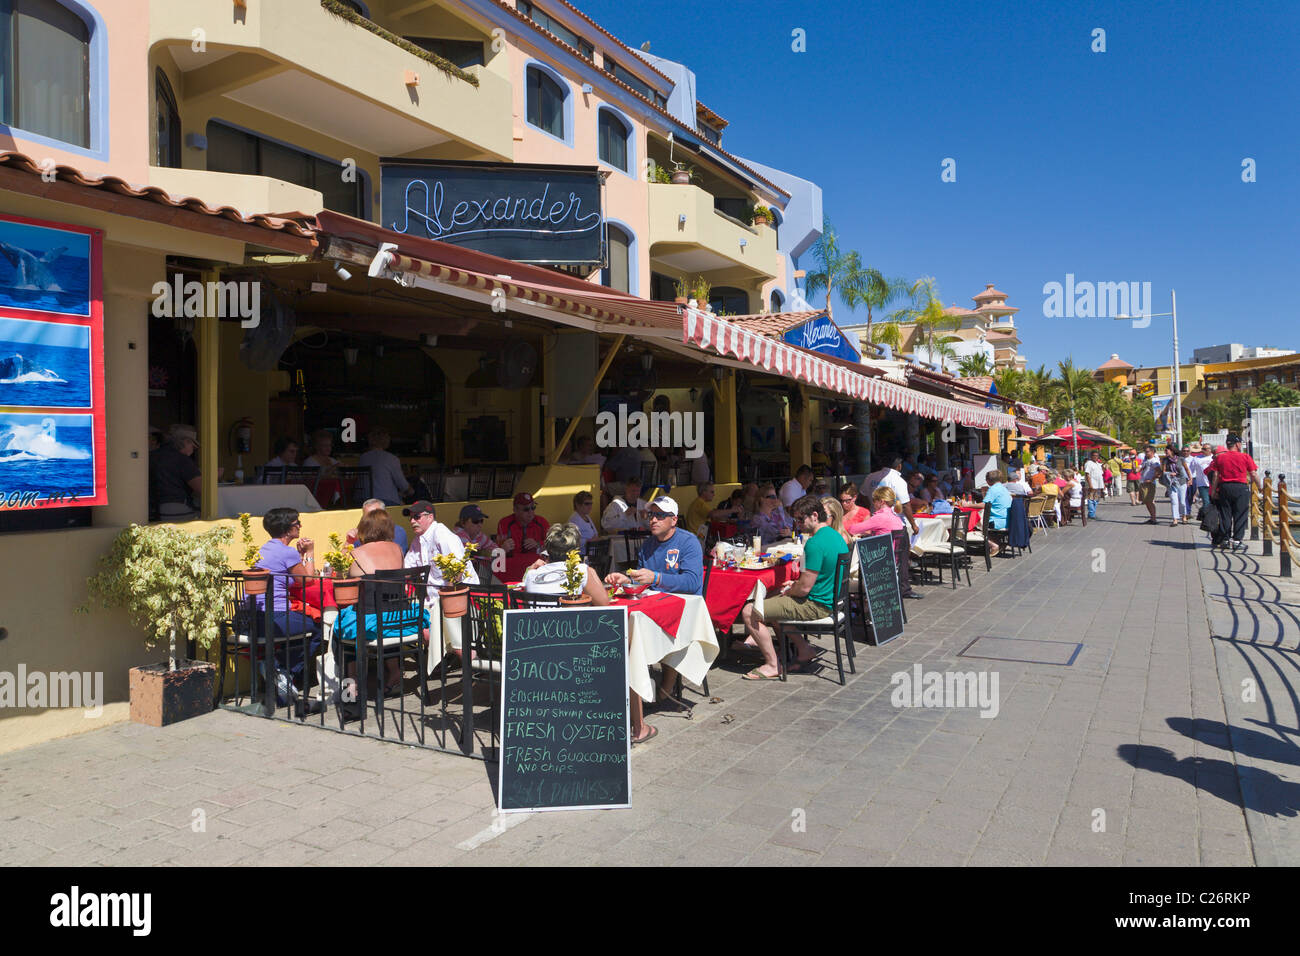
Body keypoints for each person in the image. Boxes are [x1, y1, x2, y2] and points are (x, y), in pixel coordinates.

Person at [603, 497, 703, 719]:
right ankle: (633, 687)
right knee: (625, 626)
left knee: (643, 627)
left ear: (674, 520)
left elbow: (692, 583)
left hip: (686, 607)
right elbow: (643, 581)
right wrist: (626, 579)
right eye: (651, 515)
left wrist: (655, 577)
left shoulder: (688, 542)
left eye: (660, 515)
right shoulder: (648, 545)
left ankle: (665, 688)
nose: (654, 520)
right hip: (655, 605)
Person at [737, 495, 848, 681]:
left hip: (816, 604)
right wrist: (792, 587)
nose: (797, 524)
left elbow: (804, 589)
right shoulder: (835, 535)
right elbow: (814, 579)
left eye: (800, 519)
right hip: (829, 599)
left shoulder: (814, 543)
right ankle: (803, 649)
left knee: (750, 611)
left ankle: (773, 665)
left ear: (814, 515)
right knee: (772, 598)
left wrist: (791, 589)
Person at [335, 508, 417, 695]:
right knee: (383, 616)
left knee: (341, 627)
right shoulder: (397, 549)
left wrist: (348, 543)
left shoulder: (357, 553)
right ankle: (395, 672)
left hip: (374, 621)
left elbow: (340, 574)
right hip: (403, 619)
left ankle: (352, 682)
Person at [253, 507, 324, 710]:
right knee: (317, 626)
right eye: (297, 523)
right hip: (273, 619)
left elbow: (290, 579)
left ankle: (280, 675)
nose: (300, 526)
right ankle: (284, 672)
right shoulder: (286, 551)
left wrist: (298, 558)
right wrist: (309, 553)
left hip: (250, 619)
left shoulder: (263, 549)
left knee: (298, 626)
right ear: (287, 529)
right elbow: (308, 580)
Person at [522, 523, 611, 606]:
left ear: (547, 550)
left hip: (536, 622)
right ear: (575, 551)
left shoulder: (531, 574)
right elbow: (603, 603)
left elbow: (525, 605)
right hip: (571, 622)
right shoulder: (581, 570)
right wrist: (590, 571)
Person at [403, 500, 479, 589]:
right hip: (434, 598)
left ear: (430, 517)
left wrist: (448, 596)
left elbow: (458, 570)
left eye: (417, 517)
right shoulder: (417, 540)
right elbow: (406, 571)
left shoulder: (441, 534)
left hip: (462, 594)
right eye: (411, 517)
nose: (412, 521)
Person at [1209, 434, 1260, 552]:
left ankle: (1225, 540)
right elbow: (1253, 474)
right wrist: (1260, 487)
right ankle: (1237, 540)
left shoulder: (1220, 458)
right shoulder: (1245, 457)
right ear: (1237, 444)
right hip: (1240, 487)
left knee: (1225, 514)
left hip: (1225, 487)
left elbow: (1216, 475)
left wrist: (1214, 491)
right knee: (1240, 514)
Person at [150, 424, 204, 519]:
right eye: (192, 444)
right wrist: (214, 476)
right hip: (176, 507)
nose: (193, 448)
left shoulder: (153, 455)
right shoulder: (182, 460)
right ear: (185, 442)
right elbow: (202, 489)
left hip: (153, 510)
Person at [358, 428, 412, 506]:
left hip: (364, 500)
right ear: (386, 441)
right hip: (386, 501)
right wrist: (412, 491)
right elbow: (403, 485)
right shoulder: (392, 458)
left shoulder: (362, 458)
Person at [497, 491, 550, 557]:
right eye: (526, 509)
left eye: (533, 507)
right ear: (515, 510)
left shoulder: (542, 522)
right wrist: (503, 549)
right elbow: (496, 551)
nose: (531, 512)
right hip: (513, 564)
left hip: (537, 564)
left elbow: (553, 544)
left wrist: (538, 544)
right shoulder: (505, 523)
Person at [878, 455, 918, 535]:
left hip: (876, 522)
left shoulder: (870, 477)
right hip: (895, 526)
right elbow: (905, 505)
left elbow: (863, 496)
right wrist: (913, 525)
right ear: (899, 466)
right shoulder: (898, 480)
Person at [1162, 446, 1190, 527]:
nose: (1166, 452)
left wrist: (1190, 479)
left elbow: (1187, 469)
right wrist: (1169, 473)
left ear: (1172, 451)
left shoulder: (1180, 459)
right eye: (1165, 450)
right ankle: (1175, 519)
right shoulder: (1165, 460)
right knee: (1174, 501)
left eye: (1167, 450)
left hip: (1181, 482)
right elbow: (1163, 471)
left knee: (1182, 501)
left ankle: (1184, 516)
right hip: (1171, 483)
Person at [567, 491, 599, 555]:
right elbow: (571, 540)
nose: (590, 506)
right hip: (581, 556)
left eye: (591, 503)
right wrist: (587, 541)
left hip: (592, 553)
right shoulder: (574, 520)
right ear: (577, 504)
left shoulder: (587, 517)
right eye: (587, 504)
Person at [1187, 442, 1213, 517]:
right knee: (1206, 502)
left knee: (1213, 502)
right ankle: (1207, 519)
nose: (1203, 450)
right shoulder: (1196, 459)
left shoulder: (1213, 457)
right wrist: (1190, 479)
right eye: (1203, 449)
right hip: (1202, 484)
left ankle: (1204, 515)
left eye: (1206, 449)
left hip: (1213, 483)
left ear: (1210, 450)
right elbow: (1191, 470)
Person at [1137, 445, 1162, 525]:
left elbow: (1159, 472)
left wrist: (1151, 479)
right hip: (1143, 482)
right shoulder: (1146, 460)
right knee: (1146, 501)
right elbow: (1138, 470)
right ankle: (1152, 518)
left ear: (1152, 452)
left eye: (1147, 451)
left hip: (1149, 484)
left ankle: (1154, 518)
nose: (1146, 453)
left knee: (1149, 501)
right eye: (1145, 452)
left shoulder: (1154, 461)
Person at [1084, 452, 1105, 518]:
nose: (1096, 457)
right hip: (1092, 484)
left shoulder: (1098, 464)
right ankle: (1091, 513)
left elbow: (1101, 475)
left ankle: (1093, 512)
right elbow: (1087, 474)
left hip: (1098, 485)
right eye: (1094, 455)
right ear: (1091, 456)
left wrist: (1103, 485)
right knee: (1091, 499)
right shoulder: (1089, 463)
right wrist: (1090, 484)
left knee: (1096, 499)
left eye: (1097, 455)